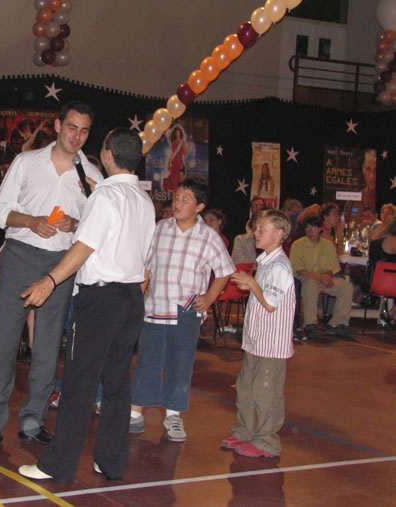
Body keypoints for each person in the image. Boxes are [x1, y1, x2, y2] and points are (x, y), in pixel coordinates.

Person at [18, 127, 156, 482]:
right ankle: (110, 462)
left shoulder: (105, 198)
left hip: (100, 301)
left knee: (79, 384)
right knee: (116, 384)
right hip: (130, 299)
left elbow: (84, 247)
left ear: (107, 154)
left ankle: (57, 465)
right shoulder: (143, 200)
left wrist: (49, 281)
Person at [0, 101, 103, 457]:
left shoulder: (91, 174)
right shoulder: (26, 162)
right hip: (20, 255)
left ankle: (33, 421)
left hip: (61, 263)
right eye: (72, 127)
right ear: (58, 126)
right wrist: (31, 221)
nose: (77, 136)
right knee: (4, 341)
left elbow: (98, 224)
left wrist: (74, 224)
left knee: (47, 346)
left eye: (84, 131)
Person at [129, 175, 235, 441]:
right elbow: (147, 268)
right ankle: (135, 413)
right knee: (148, 361)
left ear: (199, 207)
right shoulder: (160, 229)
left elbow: (224, 271)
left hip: (186, 311)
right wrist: (137, 299)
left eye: (186, 199)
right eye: (176, 197)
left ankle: (173, 416)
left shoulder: (208, 237)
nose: (177, 202)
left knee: (180, 365)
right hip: (154, 308)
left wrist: (209, 298)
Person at [221, 209, 295, 458]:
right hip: (256, 340)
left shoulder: (280, 266)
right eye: (256, 227)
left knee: (266, 393)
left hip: (271, 345)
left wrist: (252, 284)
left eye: (263, 228)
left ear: (280, 233)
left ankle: (266, 441)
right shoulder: (264, 261)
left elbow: (271, 304)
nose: (256, 232)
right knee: (245, 387)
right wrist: (251, 285)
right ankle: (245, 430)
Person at [289, 215, 354, 339]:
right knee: (311, 284)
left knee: (346, 286)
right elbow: (299, 270)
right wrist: (321, 277)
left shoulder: (328, 245)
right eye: (307, 227)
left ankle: (337, 323)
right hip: (305, 278)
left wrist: (328, 277)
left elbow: (332, 267)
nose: (310, 230)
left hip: (324, 278)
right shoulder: (297, 245)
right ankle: (310, 324)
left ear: (320, 228)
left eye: (313, 227)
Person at [366, 216, 396, 328]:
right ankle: (391, 313)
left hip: (374, 281)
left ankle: (391, 314)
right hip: (389, 283)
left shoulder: (376, 241)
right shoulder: (393, 241)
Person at [162, 125, 189, 194]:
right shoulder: (173, 142)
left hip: (180, 163)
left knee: (180, 181)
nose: (177, 134)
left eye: (179, 133)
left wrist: (187, 147)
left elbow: (184, 153)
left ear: (181, 133)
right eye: (176, 133)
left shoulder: (182, 142)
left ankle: (180, 194)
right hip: (173, 163)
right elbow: (171, 153)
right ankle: (174, 195)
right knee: (173, 181)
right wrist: (169, 163)